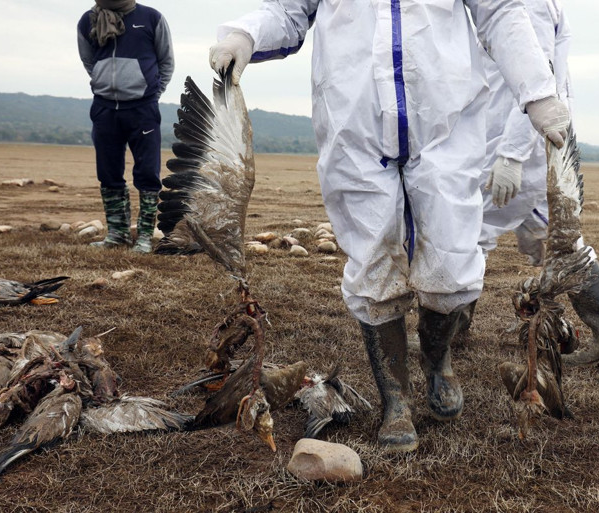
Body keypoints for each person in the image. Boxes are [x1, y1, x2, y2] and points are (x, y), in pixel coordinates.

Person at [209, 0, 570, 452]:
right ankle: (395, 401)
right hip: (353, 124)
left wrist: (536, 92)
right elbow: (288, 9)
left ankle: (437, 358)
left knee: (453, 259)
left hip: (447, 124)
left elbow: (500, 11)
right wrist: (245, 34)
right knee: (374, 257)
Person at [475, 0, 599, 366]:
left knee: (466, 231)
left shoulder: (527, 4)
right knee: (560, 240)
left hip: (522, 144)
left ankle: (447, 336)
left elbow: (537, 73)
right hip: (523, 141)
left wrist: (512, 154)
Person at [77, 0, 174, 253]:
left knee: (148, 173)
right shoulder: (88, 20)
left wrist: (152, 92)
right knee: (108, 172)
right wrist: (104, 80)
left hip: (143, 108)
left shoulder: (151, 18)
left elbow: (166, 62)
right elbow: (88, 61)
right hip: (104, 107)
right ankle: (117, 234)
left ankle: (143, 236)